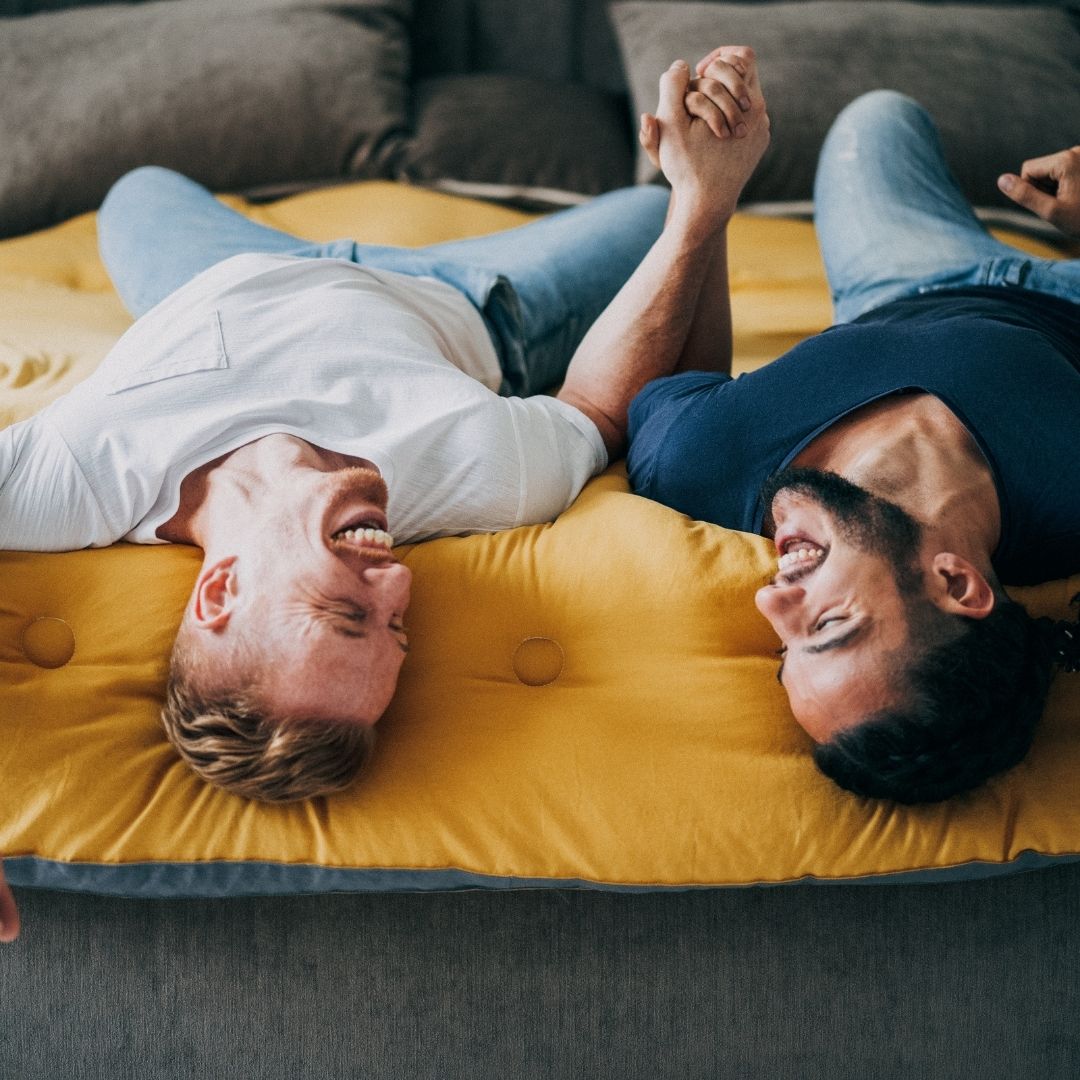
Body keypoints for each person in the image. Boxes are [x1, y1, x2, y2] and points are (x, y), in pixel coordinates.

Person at [0, 46, 769, 822]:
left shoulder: (80, 477)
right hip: (474, 300)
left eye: (347, 613)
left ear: (222, 589)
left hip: (212, 275)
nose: (399, 582)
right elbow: (594, 414)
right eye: (395, 627)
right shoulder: (480, 479)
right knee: (657, 217)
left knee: (138, 189)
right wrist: (700, 207)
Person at [629, 80, 1080, 804]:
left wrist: (704, 193)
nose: (772, 603)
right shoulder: (1069, 498)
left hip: (900, 284)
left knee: (877, 114)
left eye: (785, 647)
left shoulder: (703, 466)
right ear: (955, 582)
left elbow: (672, 376)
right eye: (829, 624)